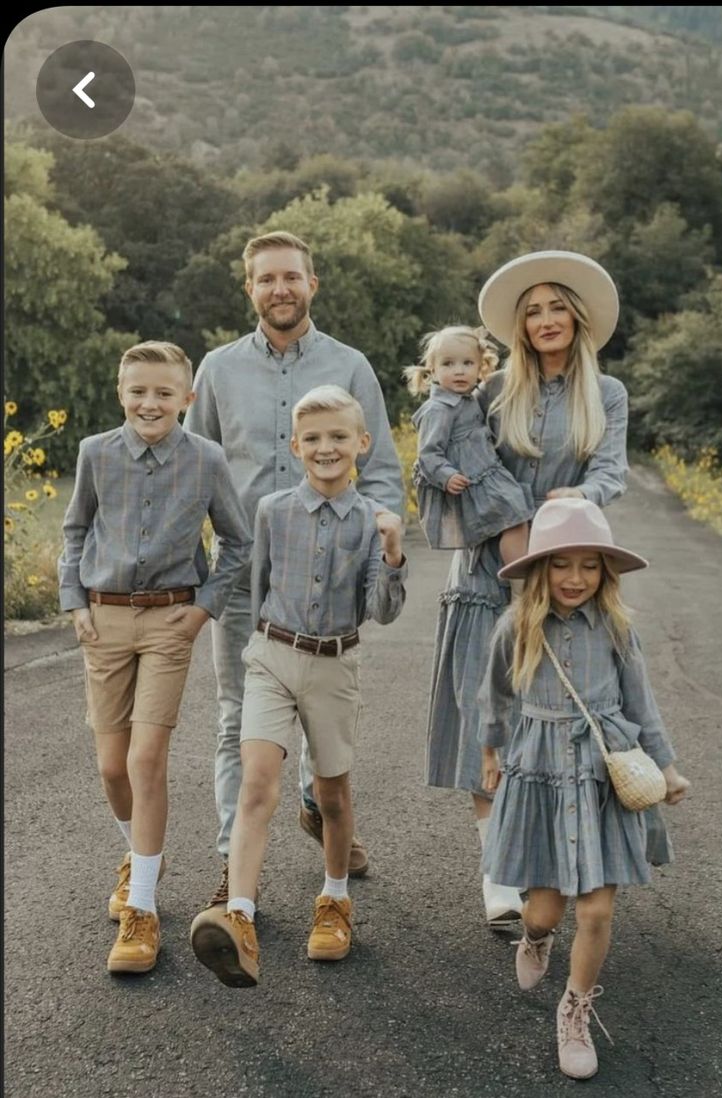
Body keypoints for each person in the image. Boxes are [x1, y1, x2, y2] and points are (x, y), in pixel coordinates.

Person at [183, 231, 404, 911]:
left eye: (291, 277)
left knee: (319, 721)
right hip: (248, 571)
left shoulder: (351, 365)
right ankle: (232, 866)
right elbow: (198, 470)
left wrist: (384, 533)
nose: (279, 288)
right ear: (249, 288)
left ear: (313, 283)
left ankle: (320, 804)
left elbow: (385, 470)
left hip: (330, 573)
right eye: (265, 278)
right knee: (233, 718)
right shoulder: (217, 368)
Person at [425, 251, 629, 927]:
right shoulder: (492, 391)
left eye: (556, 306)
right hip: (491, 569)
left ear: (577, 316)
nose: (545, 320)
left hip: (568, 572)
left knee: (560, 720)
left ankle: (553, 859)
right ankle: (497, 874)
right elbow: (463, 460)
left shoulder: (606, 394)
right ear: (518, 326)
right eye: (532, 310)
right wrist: (514, 521)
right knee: (487, 712)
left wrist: (574, 502)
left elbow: (610, 470)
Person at [189, 386, 406, 986]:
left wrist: (391, 553)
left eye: (339, 437)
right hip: (272, 657)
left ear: (361, 443)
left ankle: (334, 900)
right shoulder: (271, 510)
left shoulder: (370, 521)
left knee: (331, 794)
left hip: (335, 663)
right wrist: (260, 646)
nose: (326, 447)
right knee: (258, 783)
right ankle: (238, 917)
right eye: (313, 438)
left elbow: (379, 612)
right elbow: (256, 590)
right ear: (295, 446)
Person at [479, 497, 690, 1079]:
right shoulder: (516, 625)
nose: (576, 578)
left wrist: (666, 767)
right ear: (541, 568)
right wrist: (491, 750)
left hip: (604, 771)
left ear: (607, 570)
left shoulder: (618, 629)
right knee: (546, 908)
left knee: (596, 909)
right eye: (563, 564)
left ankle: (573, 1009)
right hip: (542, 772)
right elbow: (494, 694)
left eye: (590, 565)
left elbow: (642, 704)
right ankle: (536, 936)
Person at [58, 341, 251, 974]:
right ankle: (141, 852)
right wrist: (75, 604)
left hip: (171, 619)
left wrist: (203, 609)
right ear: (121, 394)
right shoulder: (95, 453)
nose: (150, 402)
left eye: (164, 393)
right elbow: (76, 531)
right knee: (112, 767)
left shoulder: (206, 459)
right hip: (104, 618)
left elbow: (238, 543)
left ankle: (141, 909)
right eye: (139, 391)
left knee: (146, 758)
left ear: (187, 400)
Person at [404, 325, 533, 558]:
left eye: (467, 363)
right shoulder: (439, 409)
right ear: (432, 370)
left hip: (488, 474)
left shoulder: (468, 399)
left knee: (517, 518)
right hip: (471, 481)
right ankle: (518, 582)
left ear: (480, 366)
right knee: (516, 518)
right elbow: (428, 454)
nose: (459, 371)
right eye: (448, 364)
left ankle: (517, 573)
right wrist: (446, 476)